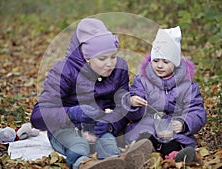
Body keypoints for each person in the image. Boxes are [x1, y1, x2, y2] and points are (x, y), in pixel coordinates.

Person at [30, 18, 152, 169]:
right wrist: (72, 113)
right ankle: (84, 164)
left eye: (113, 56)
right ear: (87, 58)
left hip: (98, 128)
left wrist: (110, 126)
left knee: (107, 141)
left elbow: (120, 108)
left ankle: (117, 162)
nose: (110, 63)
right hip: (65, 129)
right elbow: (37, 116)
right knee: (78, 143)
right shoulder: (64, 71)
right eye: (102, 58)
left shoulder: (119, 68)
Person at [122, 26, 207, 162]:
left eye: (165, 61)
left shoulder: (187, 86)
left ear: (175, 63)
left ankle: (176, 156)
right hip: (147, 124)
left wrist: (183, 123)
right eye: (156, 61)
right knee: (144, 138)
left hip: (172, 129)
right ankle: (143, 153)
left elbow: (196, 110)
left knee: (173, 143)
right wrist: (132, 102)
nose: (159, 65)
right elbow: (133, 102)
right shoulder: (142, 80)